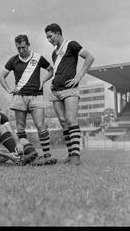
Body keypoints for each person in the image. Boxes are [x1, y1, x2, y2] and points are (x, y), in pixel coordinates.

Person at [0, 34, 57, 165]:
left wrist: (43, 80)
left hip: (36, 95)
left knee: (41, 126)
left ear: (28, 45)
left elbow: (51, 70)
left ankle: (47, 155)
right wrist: (9, 89)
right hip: (19, 97)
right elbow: (1, 77)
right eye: (18, 48)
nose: (21, 50)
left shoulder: (37, 57)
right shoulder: (13, 60)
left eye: (23, 47)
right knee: (20, 128)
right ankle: (26, 155)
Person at [44, 23, 95, 165]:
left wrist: (78, 77)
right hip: (55, 91)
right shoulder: (54, 53)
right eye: (47, 38)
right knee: (63, 122)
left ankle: (75, 156)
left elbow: (90, 57)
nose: (49, 40)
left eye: (50, 36)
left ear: (58, 33)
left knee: (71, 119)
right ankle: (70, 153)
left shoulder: (71, 44)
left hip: (69, 90)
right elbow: (56, 71)